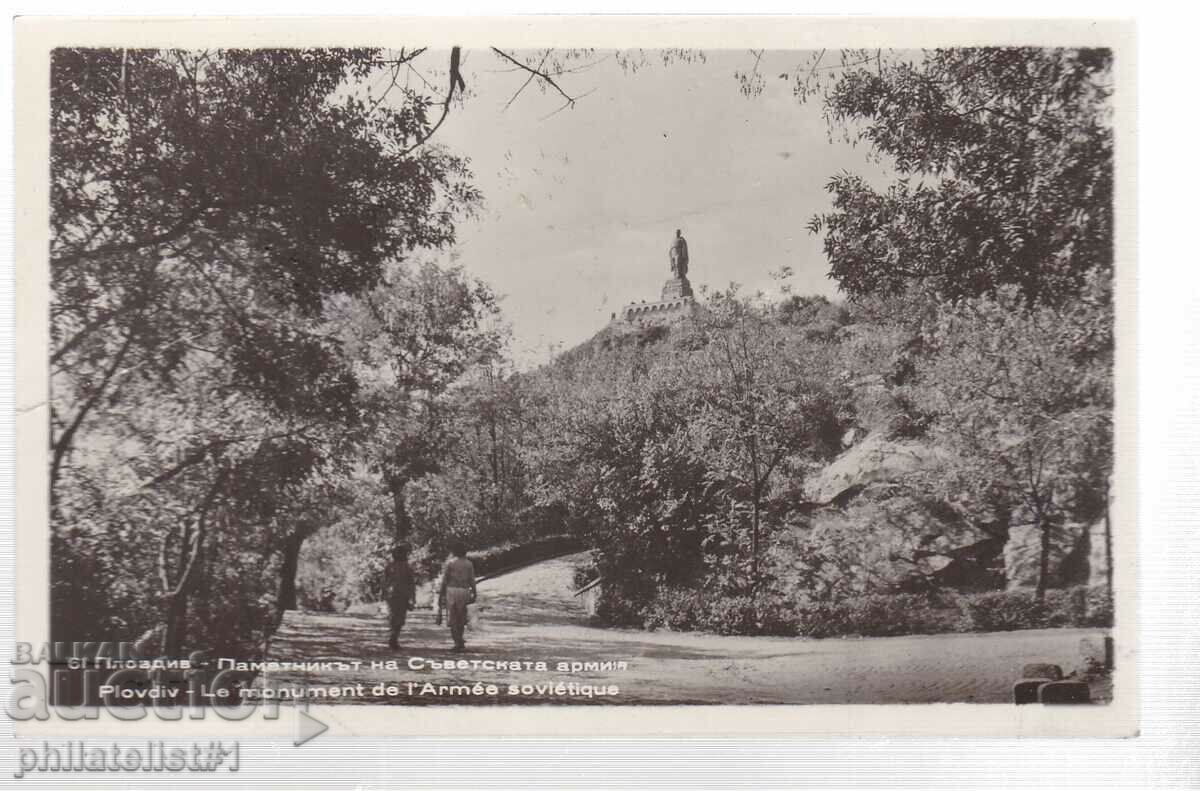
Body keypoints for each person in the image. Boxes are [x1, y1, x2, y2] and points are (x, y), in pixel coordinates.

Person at [437, 540, 477, 653]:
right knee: (462, 617)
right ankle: (460, 639)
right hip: (464, 591)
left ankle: (457, 642)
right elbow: (472, 580)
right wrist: (474, 592)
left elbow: (445, 580)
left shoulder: (450, 563)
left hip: (451, 591)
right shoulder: (469, 564)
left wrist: (441, 595)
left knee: (453, 618)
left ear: (454, 552)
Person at [386, 544, 417, 649]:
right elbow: (411, 583)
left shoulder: (390, 566)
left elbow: (384, 581)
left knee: (393, 616)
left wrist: (383, 593)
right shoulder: (407, 567)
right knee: (400, 617)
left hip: (392, 594)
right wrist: (413, 597)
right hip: (402, 594)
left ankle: (393, 636)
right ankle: (394, 637)